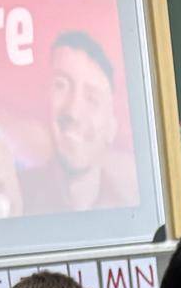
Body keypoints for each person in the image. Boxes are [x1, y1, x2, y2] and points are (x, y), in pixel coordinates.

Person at [16, 30, 140, 215]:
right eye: (61, 86)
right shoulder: (15, 199)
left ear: (112, 128)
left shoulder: (128, 203)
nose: (73, 111)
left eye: (92, 98)